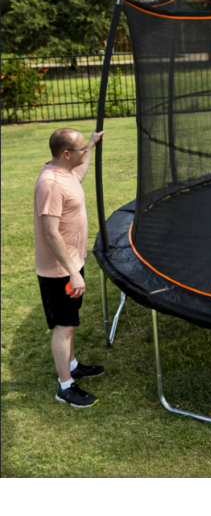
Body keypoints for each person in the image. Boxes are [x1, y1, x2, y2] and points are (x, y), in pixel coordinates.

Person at [34, 127, 105, 408]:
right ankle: (65, 386)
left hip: (71, 264)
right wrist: (73, 272)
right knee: (64, 326)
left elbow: (79, 173)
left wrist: (91, 143)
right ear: (66, 154)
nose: (84, 154)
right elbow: (50, 232)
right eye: (80, 150)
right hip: (60, 271)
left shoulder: (65, 173)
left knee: (71, 322)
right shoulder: (50, 183)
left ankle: (72, 365)